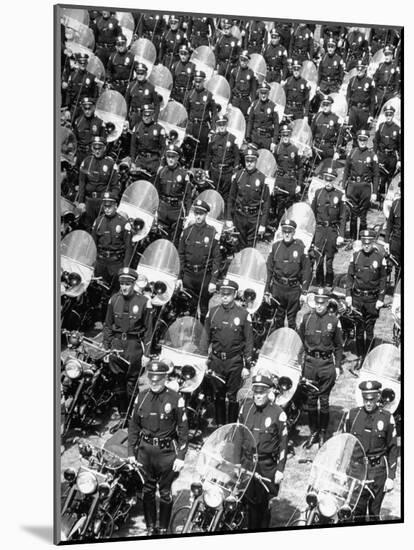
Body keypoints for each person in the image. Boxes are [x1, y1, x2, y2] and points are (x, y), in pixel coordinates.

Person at [127, 360, 189, 535]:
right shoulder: (142, 396)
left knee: (165, 492)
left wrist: (181, 456)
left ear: (165, 378)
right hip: (145, 452)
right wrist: (131, 452)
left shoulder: (175, 398)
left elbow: (184, 429)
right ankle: (150, 527)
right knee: (147, 490)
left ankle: (162, 529)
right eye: (152, 378)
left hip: (166, 453)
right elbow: (133, 427)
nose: (154, 382)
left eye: (158, 378)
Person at [200, 279, 253, 425]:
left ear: (235, 294)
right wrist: (203, 359)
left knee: (233, 396)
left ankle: (231, 427)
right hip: (216, 361)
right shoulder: (212, 313)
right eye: (223, 293)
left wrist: (247, 365)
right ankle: (219, 426)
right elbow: (205, 338)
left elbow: (249, 342)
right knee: (218, 395)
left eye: (228, 294)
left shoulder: (243, 314)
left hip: (234, 361)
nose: (225, 296)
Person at [103, 267, 154, 419]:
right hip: (117, 344)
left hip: (134, 346)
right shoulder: (114, 300)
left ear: (134, 284)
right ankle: (122, 414)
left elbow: (149, 331)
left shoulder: (144, 302)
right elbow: (107, 325)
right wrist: (106, 347)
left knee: (132, 382)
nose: (124, 287)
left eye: (128, 284)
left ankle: (133, 415)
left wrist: (147, 354)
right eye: (122, 284)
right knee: (118, 381)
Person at [239, 374, 288, 529]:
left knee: (261, 504)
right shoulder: (245, 408)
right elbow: (238, 436)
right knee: (243, 499)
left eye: (262, 392)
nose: (258, 396)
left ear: (269, 392)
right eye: (256, 392)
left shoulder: (277, 413)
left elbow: (283, 445)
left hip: (266, 465)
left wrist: (280, 469)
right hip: (246, 462)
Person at [345, 380, 398, 522]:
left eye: (372, 399)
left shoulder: (386, 418)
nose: (368, 403)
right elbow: (346, 444)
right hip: (358, 470)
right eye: (366, 399)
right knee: (357, 512)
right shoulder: (353, 415)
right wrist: (345, 470)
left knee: (374, 512)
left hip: (378, 471)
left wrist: (391, 477)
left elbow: (393, 448)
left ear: (377, 398)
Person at [299, 288, 344, 448]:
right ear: (314, 302)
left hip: (326, 365)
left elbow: (339, 347)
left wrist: (338, 366)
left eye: (322, 303)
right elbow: (300, 342)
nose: (319, 306)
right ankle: (314, 432)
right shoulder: (306, 318)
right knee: (311, 400)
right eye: (317, 302)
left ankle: (324, 433)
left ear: (327, 303)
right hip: (310, 364)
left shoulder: (334, 321)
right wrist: (299, 364)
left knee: (324, 401)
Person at [346, 229, 387, 376]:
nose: (367, 245)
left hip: (372, 300)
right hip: (357, 298)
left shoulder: (379, 257)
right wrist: (348, 295)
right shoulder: (356, 256)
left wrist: (381, 299)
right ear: (362, 242)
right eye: (364, 243)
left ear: (372, 242)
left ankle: (368, 358)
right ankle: (360, 356)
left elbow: (383, 280)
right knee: (358, 330)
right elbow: (349, 277)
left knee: (369, 331)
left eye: (369, 242)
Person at [177, 199, 221, 320]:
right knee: (188, 307)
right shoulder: (187, 232)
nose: (198, 216)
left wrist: (213, 280)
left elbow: (217, 258)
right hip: (189, 276)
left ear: (206, 214)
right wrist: (179, 277)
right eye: (196, 213)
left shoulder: (212, 233)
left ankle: (202, 332)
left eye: (201, 214)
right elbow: (180, 255)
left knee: (203, 307)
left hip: (204, 276)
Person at [265, 219, 311, 330]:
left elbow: (306, 270)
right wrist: (266, 290)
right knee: (278, 319)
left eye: (289, 231)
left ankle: (291, 344)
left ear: (294, 232)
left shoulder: (300, 248)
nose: (287, 234)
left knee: (291, 320)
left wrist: (304, 291)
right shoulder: (275, 247)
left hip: (293, 289)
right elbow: (268, 270)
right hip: (278, 287)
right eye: (284, 231)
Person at [226, 147, 270, 249]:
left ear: (256, 161)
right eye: (247, 161)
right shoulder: (238, 176)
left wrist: (263, 224)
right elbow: (231, 198)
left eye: (252, 161)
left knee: (250, 247)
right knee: (239, 246)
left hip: (254, 217)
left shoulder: (262, 178)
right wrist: (229, 217)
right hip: (239, 216)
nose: (249, 164)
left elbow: (267, 203)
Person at [310, 167, 346, 287]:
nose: (328, 183)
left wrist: (341, 235)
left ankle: (329, 281)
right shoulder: (318, 193)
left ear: (334, 181)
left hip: (331, 230)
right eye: (326, 180)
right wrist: (311, 233)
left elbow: (342, 217)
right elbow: (312, 214)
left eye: (331, 180)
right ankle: (319, 281)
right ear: (323, 180)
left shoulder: (339, 195)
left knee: (329, 259)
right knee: (318, 258)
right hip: (320, 230)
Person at [91, 191, 133, 294]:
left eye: (109, 206)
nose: (107, 209)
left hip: (116, 264)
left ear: (116, 206)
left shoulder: (123, 223)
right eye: (105, 206)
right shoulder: (98, 221)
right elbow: (92, 244)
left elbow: (128, 248)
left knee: (114, 293)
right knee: (95, 291)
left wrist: (125, 268)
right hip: (100, 262)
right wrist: (91, 265)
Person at [342, 129, 379, 239]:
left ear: (367, 141)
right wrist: (344, 188)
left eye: (364, 140)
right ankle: (353, 239)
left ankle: (363, 238)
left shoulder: (372, 155)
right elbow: (346, 172)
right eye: (360, 140)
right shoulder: (352, 153)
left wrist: (375, 192)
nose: (362, 142)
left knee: (363, 215)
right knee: (353, 214)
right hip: (352, 187)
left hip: (365, 187)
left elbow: (376, 175)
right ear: (357, 140)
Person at [77, 135, 120, 231]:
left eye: (99, 148)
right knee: (87, 228)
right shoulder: (87, 162)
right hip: (89, 201)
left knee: (102, 229)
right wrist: (81, 202)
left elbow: (115, 186)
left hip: (103, 202)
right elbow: (82, 183)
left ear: (104, 148)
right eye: (94, 148)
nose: (97, 151)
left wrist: (110, 202)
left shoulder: (110, 163)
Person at [155, 144, 192, 243]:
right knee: (161, 238)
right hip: (163, 209)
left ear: (178, 158)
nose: (170, 159)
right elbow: (156, 192)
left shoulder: (183, 174)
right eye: (168, 157)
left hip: (176, 211)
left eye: (173, 157)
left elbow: (188, 196)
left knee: (175, 239)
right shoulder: (161, 172)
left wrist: (188, 214)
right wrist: (155, 209)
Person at [183, 70, 217, 167]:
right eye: (196, 81)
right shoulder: (189, 94)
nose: (198, 84)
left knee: (202, 153)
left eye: (200, 81)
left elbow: (214, 113)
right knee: (189, 151)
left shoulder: (208, 95)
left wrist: (213, 128)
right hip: (191, 126)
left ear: (203, 81)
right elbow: (185, 111)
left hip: (203, 127)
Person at [272, 125, 303, 228]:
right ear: (281, 136)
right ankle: (279, 228)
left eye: (288, 135)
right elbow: (273, 164)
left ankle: (290, 228)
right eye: (284, 135)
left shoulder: (295, 149)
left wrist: (299, 184)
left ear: (290, 136)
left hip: (291, 181)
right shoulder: (277, 149)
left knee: (290, 207)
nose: (286, 137)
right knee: (279, 206)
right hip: (280, 180)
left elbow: (300, 167)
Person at [205, 114, 240, 201]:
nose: (222, 127)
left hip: (227, 172)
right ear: (217, 126)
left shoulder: (232, 138)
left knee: (226, 196)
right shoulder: (213, 138)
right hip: (215, 171)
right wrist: (206, 169)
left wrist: (235, 172)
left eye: (223, 124)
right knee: (213, 195)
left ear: (226, 125)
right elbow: (209, 155)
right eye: (219, 125)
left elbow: (237, 157)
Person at [130, 104, 166, 180]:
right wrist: (133, 162)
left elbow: (163, 148)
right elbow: (133, 146)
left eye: (148, 116)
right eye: (144, 116)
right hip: (141, 160)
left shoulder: (159, 129)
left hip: (153, 161)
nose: (146, 118)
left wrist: (161, 164)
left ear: (152, 115)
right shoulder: (137, 128)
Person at [373, 105, 401, 198]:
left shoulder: (397, 129)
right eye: (387, 114)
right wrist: (374, 154)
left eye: (390, 114)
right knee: (381, 178)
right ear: (385, 115)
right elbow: (376, 141)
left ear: (393, 115)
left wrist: (400, 160)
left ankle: (388, 199)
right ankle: (379, 198)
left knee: (390, 178)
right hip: (382, 155)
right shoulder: (381, 126)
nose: (388, 116)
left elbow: (400, 146)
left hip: (392, 157)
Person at [63, 53, 99, 121]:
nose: (82, 65)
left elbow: (95, 96)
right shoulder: (73, 75)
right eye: (81, 63)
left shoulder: (91, 77)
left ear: (87, 63)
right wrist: (67, 109)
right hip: (74, 108)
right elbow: (68, 93)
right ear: (78, 63)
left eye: (84, 63)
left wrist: (91, 108)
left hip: (86, 110)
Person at [346, 60, 375, 142]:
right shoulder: (352, 81)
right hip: (353, 109)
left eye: (361, 69)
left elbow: (372, 100)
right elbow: (348, 98)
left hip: (364, 110)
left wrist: (371, 115)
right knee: (353, 133)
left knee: (362, 134)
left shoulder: (369, 81)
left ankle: (361, 151)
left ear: (365, 69)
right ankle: (354, 150)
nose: (359, 71)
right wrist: (347, 113)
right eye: (358, 69)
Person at [125, 62, 161, 129]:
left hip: (146, 117)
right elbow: (126, 102)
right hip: (133, 116)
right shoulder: (131, 86)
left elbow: (157, 104)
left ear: (146, 74)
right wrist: (126, 118)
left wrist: (155, 119)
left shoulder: (151, 87)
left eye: (142, 73)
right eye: (138, 73)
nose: (140, 75)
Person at [246, 81, 280, 151]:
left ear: (268, 94)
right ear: (259, 93)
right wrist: (248, 136)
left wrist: (274, 142)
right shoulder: (254, 105)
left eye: (265, 93)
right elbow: (250, 121)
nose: (263, 95)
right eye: (262, 93)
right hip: (255, 137)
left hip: (266, 139)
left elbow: (276, 125)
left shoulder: (273, 106)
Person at [72, 97, 106, 166]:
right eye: (85, 108)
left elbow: (104, 143)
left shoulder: (100, 123)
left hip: (93, 155)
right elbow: (74, 140)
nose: (87, 111)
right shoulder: (78, 121)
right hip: (79, 154)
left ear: (94, 108)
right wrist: (74, 155)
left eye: (89, 108)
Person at [310, 95, 341, 164]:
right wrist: (309, 146)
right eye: (323, 104)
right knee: (315, 169)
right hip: (317, 147)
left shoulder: (335, 118)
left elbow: (339, 136)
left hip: (328, 148)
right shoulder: (317, 116)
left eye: (327, 105)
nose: (325, 107)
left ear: (331, 105)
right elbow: (311, 132)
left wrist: (337, 151)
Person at [229, 51, 258, 118]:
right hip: (235, 100)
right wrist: (229, 102)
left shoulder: (251, 73)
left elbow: (253, 90)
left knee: (244, 118)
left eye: (245, 61)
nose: (243, 62)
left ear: (248, 62)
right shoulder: (234, 71)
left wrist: (252, 105)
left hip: (245, 101)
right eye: (241, 60)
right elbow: (230, 87)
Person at [373, 46, 400, 110]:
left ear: (392, 56)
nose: (386, 57)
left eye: (388, 55)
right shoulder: (380, 66)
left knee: (389, 110)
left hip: (390, 92)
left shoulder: (395, 67)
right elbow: (375, 79)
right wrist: (375, 93)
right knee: (377, 110)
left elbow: (397, 82)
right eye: (385, 55)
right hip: (380, 92)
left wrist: (395, 93)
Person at [384, 192, 401, 277]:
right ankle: (397, 288)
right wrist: (386, 241)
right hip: (396, 240)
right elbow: (389, 224)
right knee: (396, 266)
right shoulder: (396, 204)